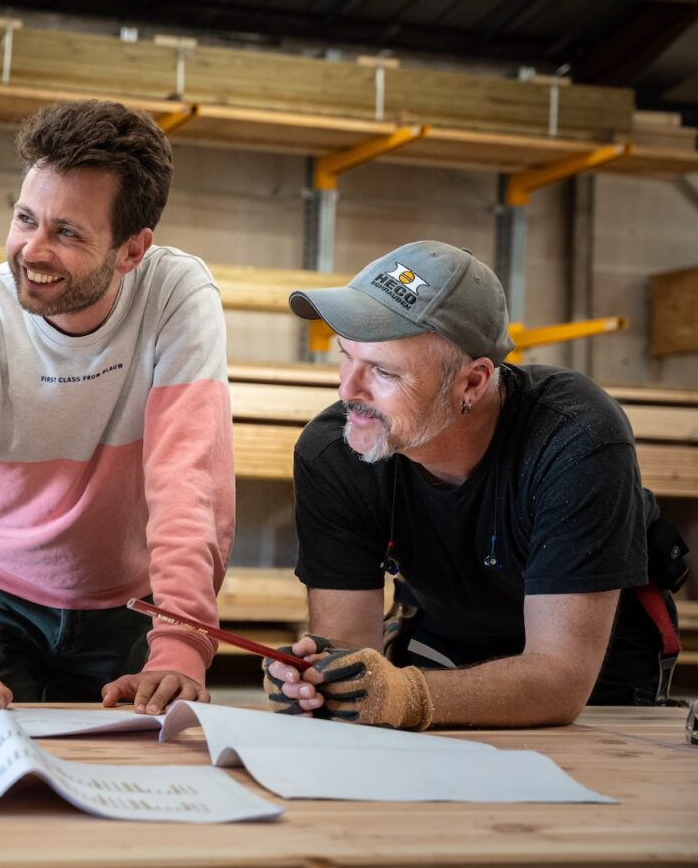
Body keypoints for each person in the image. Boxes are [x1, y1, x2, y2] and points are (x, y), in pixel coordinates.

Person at [0, 100, 235, 716]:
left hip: (129, 606)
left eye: (67, 232)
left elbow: (189, 479)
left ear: (133, 251)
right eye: (26, 218)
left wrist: (182, 643)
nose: (32, 249)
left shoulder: (177, 297)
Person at [264, 240, 685, 730]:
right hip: (444, 641)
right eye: (347, 357)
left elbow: (560, 679)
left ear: (472, 383)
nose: (346, 391)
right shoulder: (334, 451)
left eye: (382, 371)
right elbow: (348, 653)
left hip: (598, 665)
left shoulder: (577, 436)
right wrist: (318, 680)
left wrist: (405, 694)